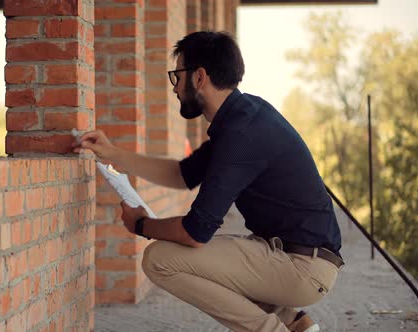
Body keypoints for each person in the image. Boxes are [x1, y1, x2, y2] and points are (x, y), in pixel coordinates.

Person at [73, 31, 343, 332]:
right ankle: (294, 322)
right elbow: (181, 174)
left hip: (302, 268)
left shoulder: (241, 135)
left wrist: (141, 225)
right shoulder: (242, 117)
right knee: (201, 257)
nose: (175, 88)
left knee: (159, 259)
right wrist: (111, 154)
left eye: (177, 76)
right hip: (294, 259)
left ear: (199, 77)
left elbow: (195, 232)